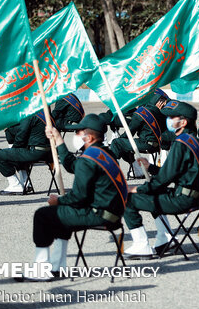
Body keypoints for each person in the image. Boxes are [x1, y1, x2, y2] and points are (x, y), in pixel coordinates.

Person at [17, 114, 127, 281]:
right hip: (112, 214)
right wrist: (58, 140)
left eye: (78, 132)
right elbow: (71, 165)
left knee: (43, 215)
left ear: (88, 137)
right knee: (60, 216)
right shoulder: (105, 153)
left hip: (98, 214)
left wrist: (58, 201)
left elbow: (79, 197)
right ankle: (57, 266)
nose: (75, 136)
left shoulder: (89, 158)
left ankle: (40, 268)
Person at [123, 100, 199, 259]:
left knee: (127, 198)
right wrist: (151, 167)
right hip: (194, 197)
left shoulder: (181, 143)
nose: (168, 120)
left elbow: (164, 179)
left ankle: (141, 245)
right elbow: (173, 173)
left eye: (172, 117)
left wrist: (137, 189)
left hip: (184, 199)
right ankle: (165, 238)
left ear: (182, 122)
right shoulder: (192, 141)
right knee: (154, 190)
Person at [109, 91, 167, 177]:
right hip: (157, 146)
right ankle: (138, 171)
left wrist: (119, 140)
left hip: (145, 144)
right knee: (123, 145)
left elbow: (129, 133)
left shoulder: (140, 113)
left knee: (117, 143)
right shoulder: (160, 112)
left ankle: (112, 172)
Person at [0, 111, 53, 195]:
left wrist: (13, 151)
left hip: (36, 152)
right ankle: (26, 183)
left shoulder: (30, 114)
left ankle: (15, 185)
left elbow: (21, 135)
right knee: (19, 152)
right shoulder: (45, 113)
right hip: (49, 153)